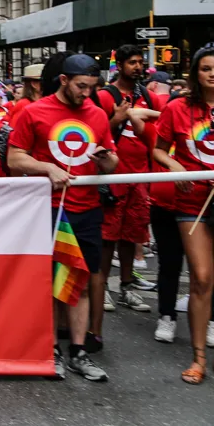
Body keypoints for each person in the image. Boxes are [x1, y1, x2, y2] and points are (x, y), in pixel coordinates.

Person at [8, 53, 119, 382]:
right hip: (48, 208)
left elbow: (112, 161)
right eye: (81, 86)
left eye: (92, 87)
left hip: (87, 209)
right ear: (63, 80)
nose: (87, 93)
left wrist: (106, 160)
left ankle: (78, 352)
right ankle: (51, 349)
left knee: (80, 281)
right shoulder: (34, 112)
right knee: (50, 282)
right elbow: (15, 158)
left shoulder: (97, 114)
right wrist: (47, 167)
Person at [152, 44, 214, 384]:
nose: (212, 74)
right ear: (195, 73)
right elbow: (158, 150)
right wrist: (177, 167)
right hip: (192, 204)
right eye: (206, 68)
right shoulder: (177, 108)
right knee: (201, 277)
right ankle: (198, 358)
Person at [94, 45, 161, 332]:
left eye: (140, 62)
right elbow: (94, 135)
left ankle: (126, 286)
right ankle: (102, 288)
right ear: (119, 65)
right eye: (131, 62)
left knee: (132, 235)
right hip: (113, 176)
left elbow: (158, 130)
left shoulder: (147, 95)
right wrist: (117, 119)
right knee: (108, 236)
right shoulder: (105, 96)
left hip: (140, 176)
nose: (137, 67)